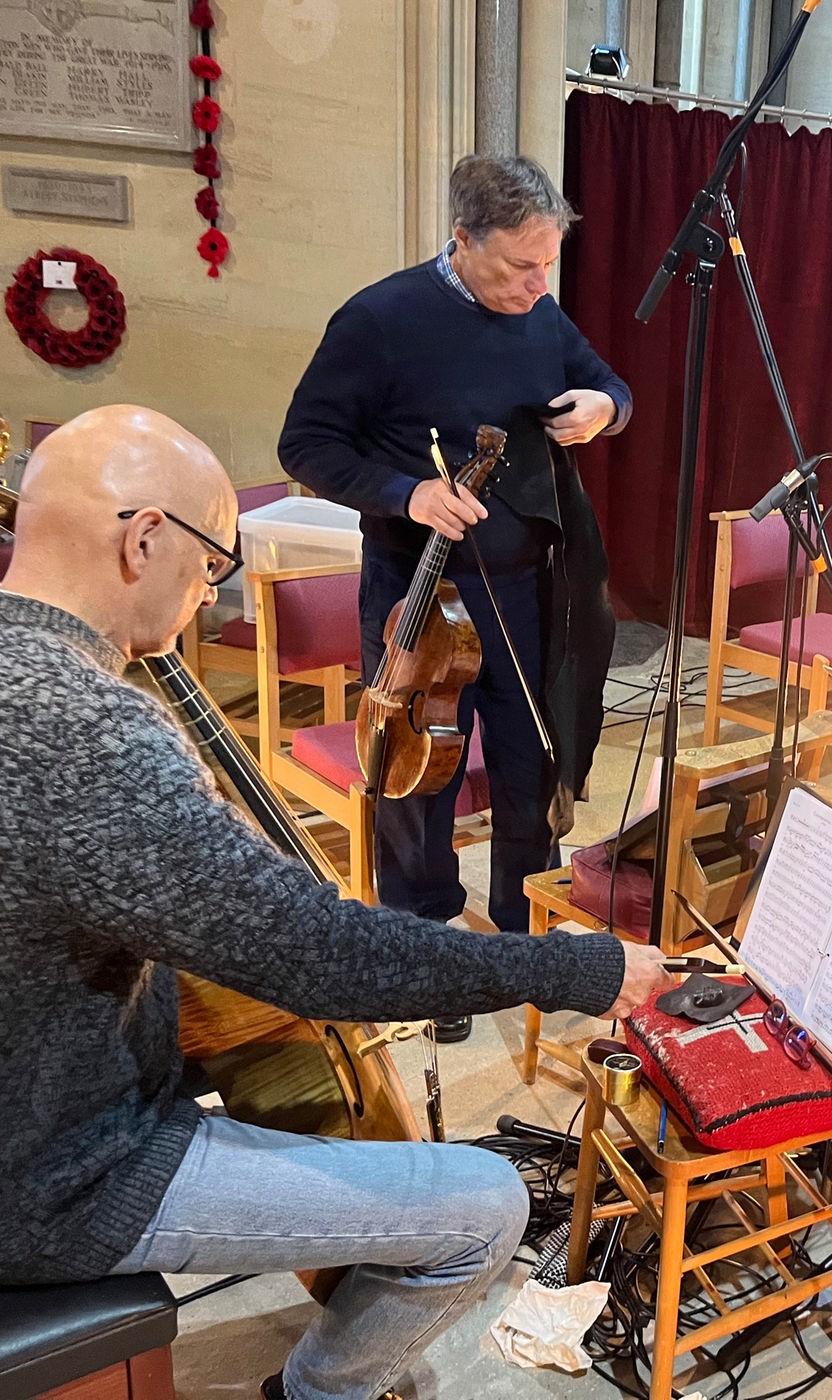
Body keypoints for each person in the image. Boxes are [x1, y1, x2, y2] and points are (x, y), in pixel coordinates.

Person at [0, 406, 672, 1400]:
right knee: (481, 1204)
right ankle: (317, 1392)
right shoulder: (83, 725)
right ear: (143, 538)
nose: (201, 598)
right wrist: (583, 966)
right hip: (55, 1176)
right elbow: (322, 955)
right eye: (209, 566)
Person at [279, 156, 627, 1043]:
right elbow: (307, 443)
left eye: (547, 263)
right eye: (519, 265)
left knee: (527, 768)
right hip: (418, 593)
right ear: (463, 240)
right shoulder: (379, 319)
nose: (537, 285)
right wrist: (407, 494)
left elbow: (608, 384)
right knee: (416, 778)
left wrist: (603, 408)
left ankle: (522, 942)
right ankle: (425, 957)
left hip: (525, 593)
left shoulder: (540, 312)